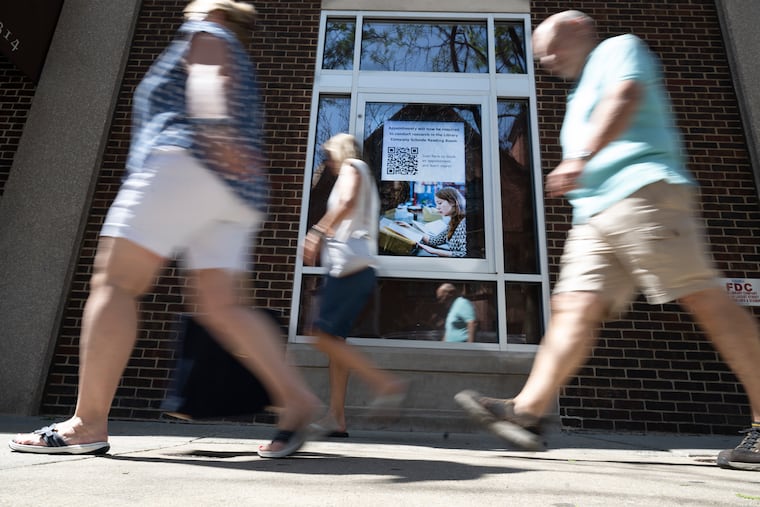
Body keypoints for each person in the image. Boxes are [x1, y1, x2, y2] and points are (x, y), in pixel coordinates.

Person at [9, 0, 321, 459]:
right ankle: (297, 400)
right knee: (222, 306)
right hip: (236, 194)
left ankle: (87, 421)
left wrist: (214, 132)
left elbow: (208, 72)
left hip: (183, 161)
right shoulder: (242, 55)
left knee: (115, 282)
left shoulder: (207, 30)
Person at [455, 10, 760, 471]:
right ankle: (528, 412)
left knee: (705, 300)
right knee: (573, 307)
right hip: (595, 216)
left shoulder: (620, 49)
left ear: (578, 29)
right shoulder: (578, 90)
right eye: (540, 57)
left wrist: (579, 157)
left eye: (551, 48)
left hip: (645, 193)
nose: (548, 60)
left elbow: (627, 95)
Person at [303, 133, 408, 437]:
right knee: (335, 344)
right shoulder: (362, 171)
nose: (327, 161)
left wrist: (317, 233)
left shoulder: (352, 166)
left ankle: (385, 384)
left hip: (348, 269)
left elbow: (347, 202)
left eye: (328, 154)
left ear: (340, 151)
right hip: (355, 268)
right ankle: (336, 417)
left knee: (320, 336)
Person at [418, 186, 467, 257]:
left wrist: (434, 251)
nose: (437, 207)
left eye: (440, 203)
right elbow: (435, 241)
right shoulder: (453, 221)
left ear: (453, 202)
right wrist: (410, 229)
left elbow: (464, 254)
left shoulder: (463, 223)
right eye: (436, 204)